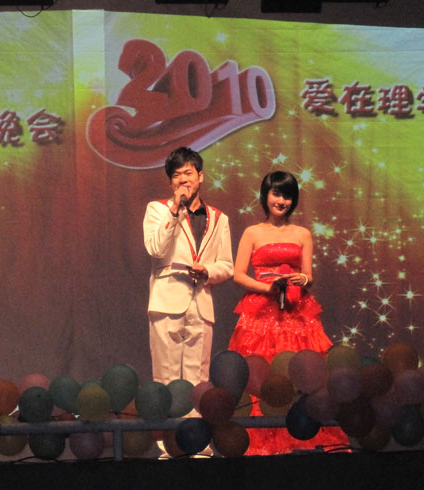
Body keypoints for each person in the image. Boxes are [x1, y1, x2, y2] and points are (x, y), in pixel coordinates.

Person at [228, 170, 348, 454]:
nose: (281, 201)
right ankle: (261, 440)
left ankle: (304, 434)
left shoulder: (302, 233)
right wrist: (267, 288)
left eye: (287, 196)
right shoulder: (252, 232)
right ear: (265, 196)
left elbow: (309, 275)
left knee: (302, 369)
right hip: (260, 309)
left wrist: (302, 279)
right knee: (260, 370)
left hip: (297, 309)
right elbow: (237, 275)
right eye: (276, 194)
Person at [143, 147, 234, 386]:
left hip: (201, 303)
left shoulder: (219, 218)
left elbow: (226, 265)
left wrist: (208, 271)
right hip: (167, 302)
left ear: (200, 176)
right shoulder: (158, 209)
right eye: (176, 175)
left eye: (188, 173)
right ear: (170, 181)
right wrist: (174, 210)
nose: (182, 180)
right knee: (166, 377)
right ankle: (168, 413)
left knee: (198, 379)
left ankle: (195, 412)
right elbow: (156, 249)